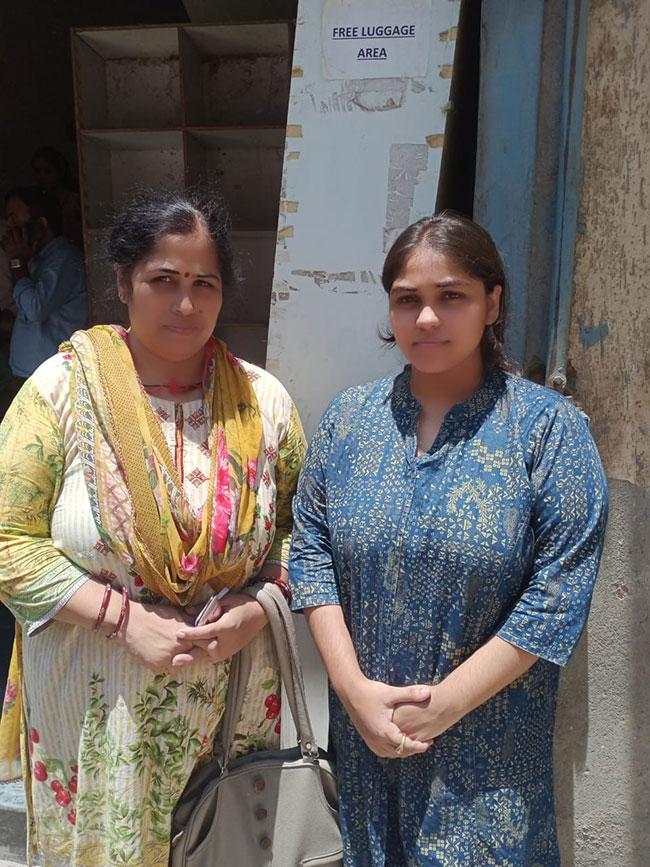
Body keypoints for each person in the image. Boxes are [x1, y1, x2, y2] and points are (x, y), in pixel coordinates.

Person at [289, 212, 608, 866]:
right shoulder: (350, 421)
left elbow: (554, 599)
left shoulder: (548, 432)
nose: (427, 318)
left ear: (492, 302)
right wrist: (352, 690)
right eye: (408, 299)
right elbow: (312, 554)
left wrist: (440, 708)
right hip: (365, 749)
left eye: (450, 296)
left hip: (486, 759)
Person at [0, 187, 306, 866]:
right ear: (122, 282)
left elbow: (302, 532)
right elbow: (6, 541)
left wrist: (258, 608)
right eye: (163, 281)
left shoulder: (264, 403)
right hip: (95, 718)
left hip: (231, 724)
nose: (186, 304)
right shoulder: (59, 394)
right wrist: (125, 619)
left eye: (205, 283)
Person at [2, 186, 88, 381]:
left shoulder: (64, 259)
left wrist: (17, 261)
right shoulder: (37, 259)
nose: (10, 226)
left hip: (52, 379)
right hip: (33, 374)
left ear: (41, 224)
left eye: (15, 217)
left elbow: (35, 309)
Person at [31, 146, 84, 250]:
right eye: (38, 172)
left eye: (48, 171)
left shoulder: (75, 201)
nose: (42, 177)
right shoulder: (39, 203)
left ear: (60, 172)